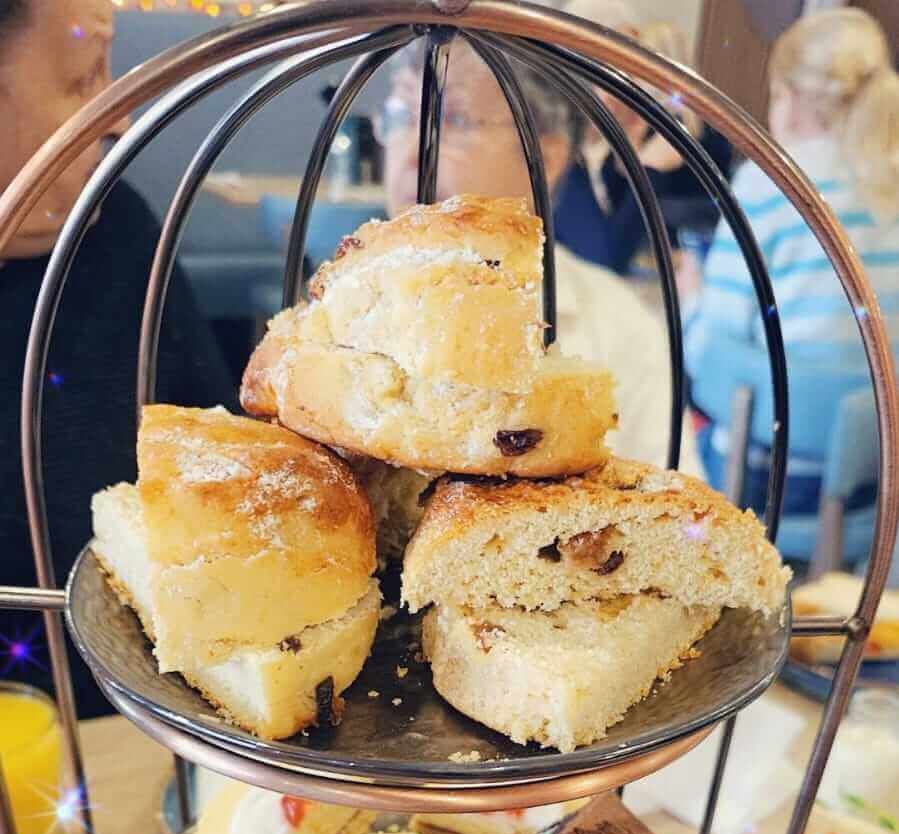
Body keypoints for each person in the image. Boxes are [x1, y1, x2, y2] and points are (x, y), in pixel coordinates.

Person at [0, 0, 234, 717]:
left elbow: (224, 481)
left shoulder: (119, 232)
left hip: (159, 733)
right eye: (78, 82)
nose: (114, 118)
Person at [377, 38, 703, 477]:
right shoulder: (347, 319)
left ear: (543, 157)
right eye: (401, 117)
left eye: (452, 120)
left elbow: (673, 516)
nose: (412, 153)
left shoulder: (619, 330)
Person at [684, 8, 899, 519]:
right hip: (879, 471)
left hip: (769, 473)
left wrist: (690, 298)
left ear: (796, 102)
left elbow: (709, 357)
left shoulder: (772, 185)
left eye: (776, 94)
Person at [552, 0, 732, 277]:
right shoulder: (557, 146)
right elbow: (606, 257)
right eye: (614, 69)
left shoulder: (685, 135)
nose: (622, 87)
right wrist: (646, 167)